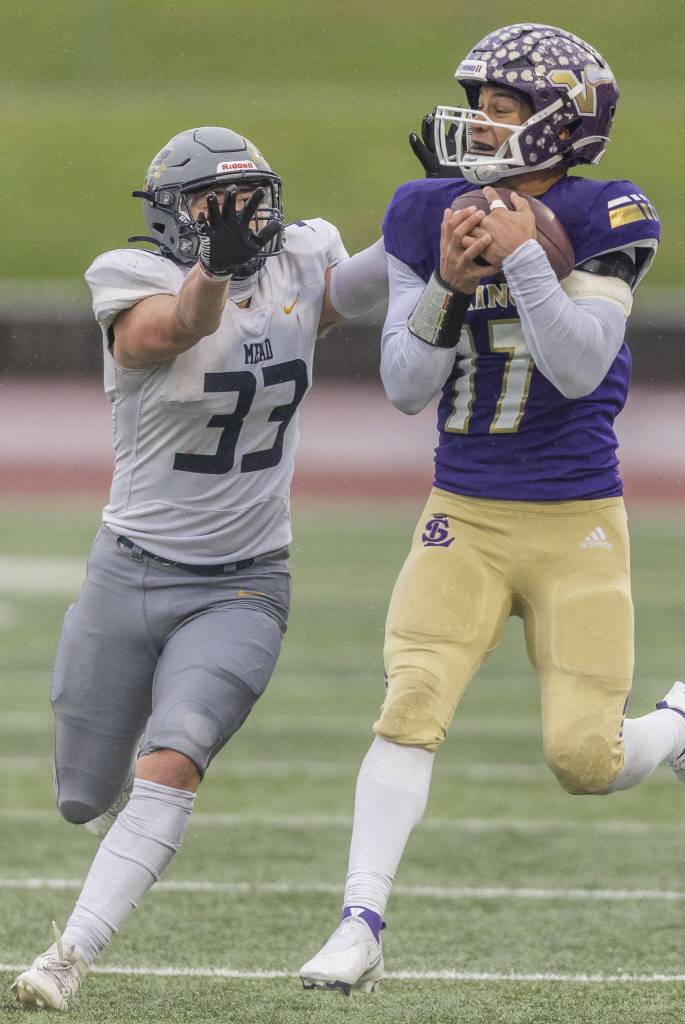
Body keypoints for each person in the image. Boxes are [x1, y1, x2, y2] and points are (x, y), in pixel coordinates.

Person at [299, 24, 685, 994]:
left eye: (502, 108)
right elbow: (405, 387)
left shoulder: (605, 212)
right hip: (461, 509)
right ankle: (359, 922)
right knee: (410, 700)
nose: (479, 123)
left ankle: (680, 726)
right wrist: (448, 287)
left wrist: (526, 261)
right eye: (480, 105)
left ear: (558, 124)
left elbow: (581, 365)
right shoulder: (429, 209)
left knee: (583, 758)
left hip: (575, 518)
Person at [13, 125, 387, 1012]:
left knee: (175, 754)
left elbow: (366, 287)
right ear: (172, 216)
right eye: (216, 205)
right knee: (81, 798)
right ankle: (121, 811)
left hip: (244, 582)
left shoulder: (300, 261)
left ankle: (68, 956)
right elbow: (180, 324)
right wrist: (214, 270)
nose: (239, 217)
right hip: (128, 571)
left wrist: (432, 214)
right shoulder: (128, 277)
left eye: (249, 199)